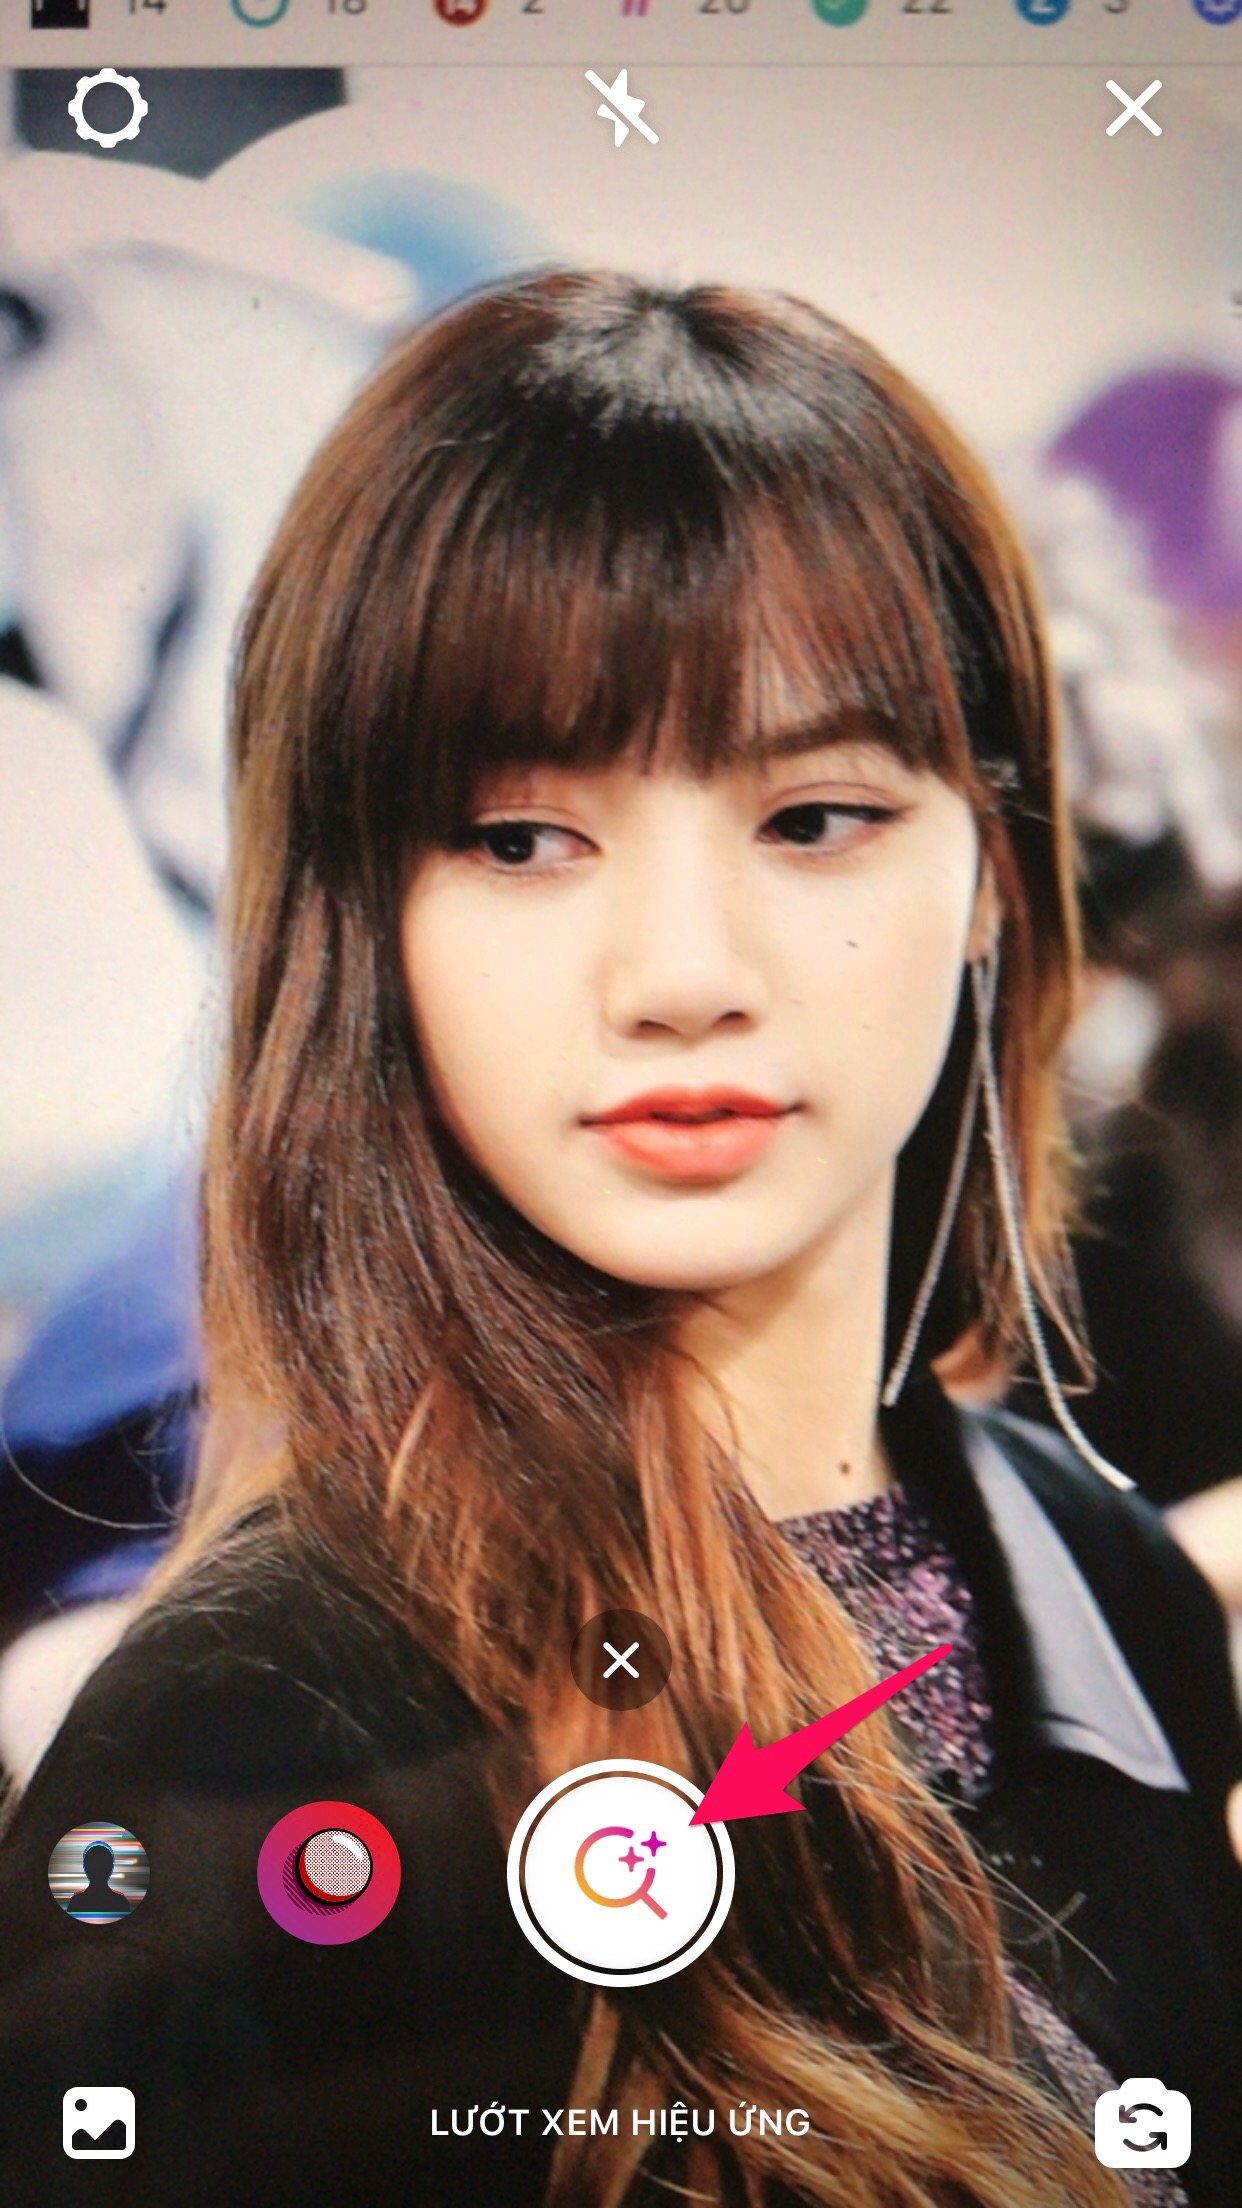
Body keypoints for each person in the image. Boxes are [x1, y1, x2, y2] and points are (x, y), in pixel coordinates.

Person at [0, 271, 1237, 2208]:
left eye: (814, 818)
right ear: (365, 917)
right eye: (520, 839)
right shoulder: (255, 1738)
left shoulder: (1105, 1589)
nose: (681, 973)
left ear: (992, 873)